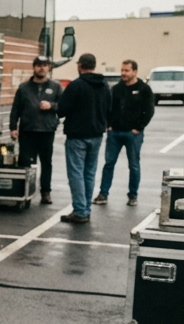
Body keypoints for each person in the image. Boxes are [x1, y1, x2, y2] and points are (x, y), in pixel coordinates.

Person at [57, 53, 111, 223]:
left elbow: (62, 109)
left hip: (77, 135)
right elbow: (110, 108)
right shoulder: (104, 85)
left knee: (76, 173)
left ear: (80, 66)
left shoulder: (76, 85)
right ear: (94, 66)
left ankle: (80, 210)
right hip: (96, 134)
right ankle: (85, 208)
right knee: (89, 173)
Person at [95, 59, 155, 207]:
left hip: (133, 134)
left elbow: (149, 110)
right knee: (109, 164)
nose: (123, 73)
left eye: (126, 70)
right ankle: (103, 194)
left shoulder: (144, 89)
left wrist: (139, 127)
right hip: (114, 133)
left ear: (135, 71)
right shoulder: (116, 89)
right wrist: (108, 125)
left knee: (134, 165)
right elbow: (108, 107)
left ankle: (133, 195)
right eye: (122, 70)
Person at [9, 54, 63, 204]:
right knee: (25, 163)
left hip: (46, 131)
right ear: (34, 67)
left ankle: (46, 192)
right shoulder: (24, 88)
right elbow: (16, 109)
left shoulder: (56, 87)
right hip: (28, 130)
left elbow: (64, 106)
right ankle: (23, 192)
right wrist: (13, 127)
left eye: (45, 65)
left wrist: (51, 106)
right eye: (39, 65)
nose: (42, 68)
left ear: (48, 68)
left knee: (46, 163)